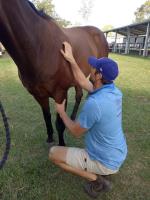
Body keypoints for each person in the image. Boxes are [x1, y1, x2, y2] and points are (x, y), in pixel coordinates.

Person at [49, 42, 127, 198]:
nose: (90, 68)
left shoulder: (95, 104)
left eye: (94, 67)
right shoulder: (113, 91)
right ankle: (101, 171)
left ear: (98, 75)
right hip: (118, 153)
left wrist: (62, 112)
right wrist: (71, 59)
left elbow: (75, 131)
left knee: (53, 153)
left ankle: (97, 179)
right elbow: (83, 81)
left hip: (105, 161)